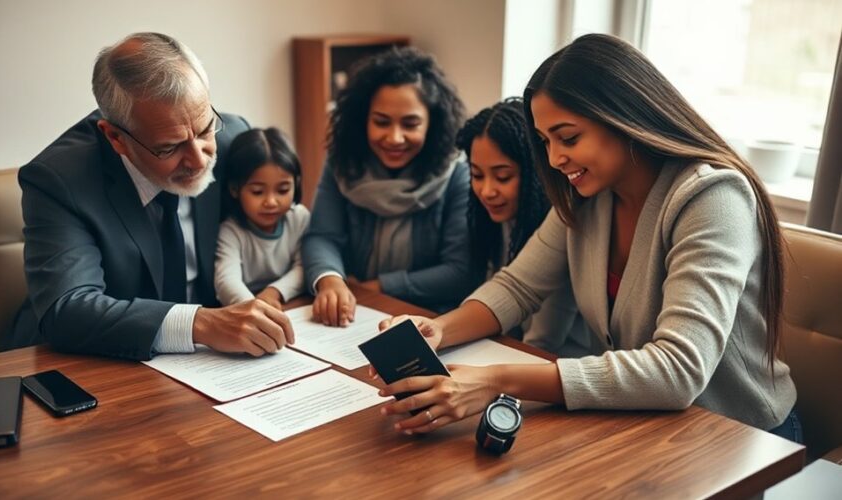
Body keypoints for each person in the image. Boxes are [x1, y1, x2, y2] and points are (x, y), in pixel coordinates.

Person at [376, 34, 799, 443]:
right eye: (545, 142)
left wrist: (494, 380)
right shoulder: (589, 197)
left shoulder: (712, 197)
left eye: (569, 137)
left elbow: (677, 370)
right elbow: (518, 286)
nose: (556, 158)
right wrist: (437, 330)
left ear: (625, 117)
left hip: (742, 438)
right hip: (650, 424)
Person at [13, 32, 293, 360]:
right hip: (101, 362)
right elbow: (67, 309)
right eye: (169, 147)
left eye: (204, 130)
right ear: (115, 137)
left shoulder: (233, 139)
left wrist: (325, 276)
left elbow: (290, 228)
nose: (199, 160)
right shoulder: (59, 180)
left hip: (217, 363)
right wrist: (199, 324)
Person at [302, 47, 477, 326]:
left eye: (410, 124)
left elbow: (459, 272)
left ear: (432, 123)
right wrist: (330, 280)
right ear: (363, 119)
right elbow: (322, 236)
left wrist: (377, 287)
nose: (395, 138)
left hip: (430, 318)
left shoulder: (456, 172)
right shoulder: (341, 163)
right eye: (381, 122)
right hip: (353, 314)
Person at [457, 97, 589, 357]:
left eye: (503, 176)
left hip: (558, 366)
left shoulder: (560, 226)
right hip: (510, 351)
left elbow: (541, 342)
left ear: (536, 173)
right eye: (477, 175)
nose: (487, 191)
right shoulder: (491, 220)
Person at [214, 128, 309, 310]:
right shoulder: (231, 231)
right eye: (258, 192)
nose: (271, 202)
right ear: (234, 189)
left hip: (290, 303)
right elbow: (226, 281)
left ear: (295, 185)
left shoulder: (299, 218)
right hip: (246, 309)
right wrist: (255, 308)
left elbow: (304, 268)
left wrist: (273, 292)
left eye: (282, 190)